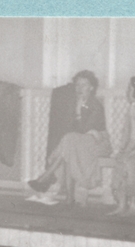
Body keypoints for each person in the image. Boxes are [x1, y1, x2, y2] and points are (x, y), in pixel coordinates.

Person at [26, 70, 110, 206]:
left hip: (98, 142)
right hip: (78, 141)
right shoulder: (74, 103)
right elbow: (70, 129)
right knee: (69, 145)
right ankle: (67, 196)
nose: (80, 88)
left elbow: (85, 129)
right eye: (77, 85)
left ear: (91, 87)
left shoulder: (95, 104)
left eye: (84, 85)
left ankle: (46, 177)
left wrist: (78, 112)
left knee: (69, 142)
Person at [107, 76, 135, 218]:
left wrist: (129, 153)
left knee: (132, 163)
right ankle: (121, 205)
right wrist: (123, 152)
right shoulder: (133, 108)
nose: (126, 92)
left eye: (129, 89)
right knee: (122, 161)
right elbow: (131, 138)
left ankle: (133, 206)